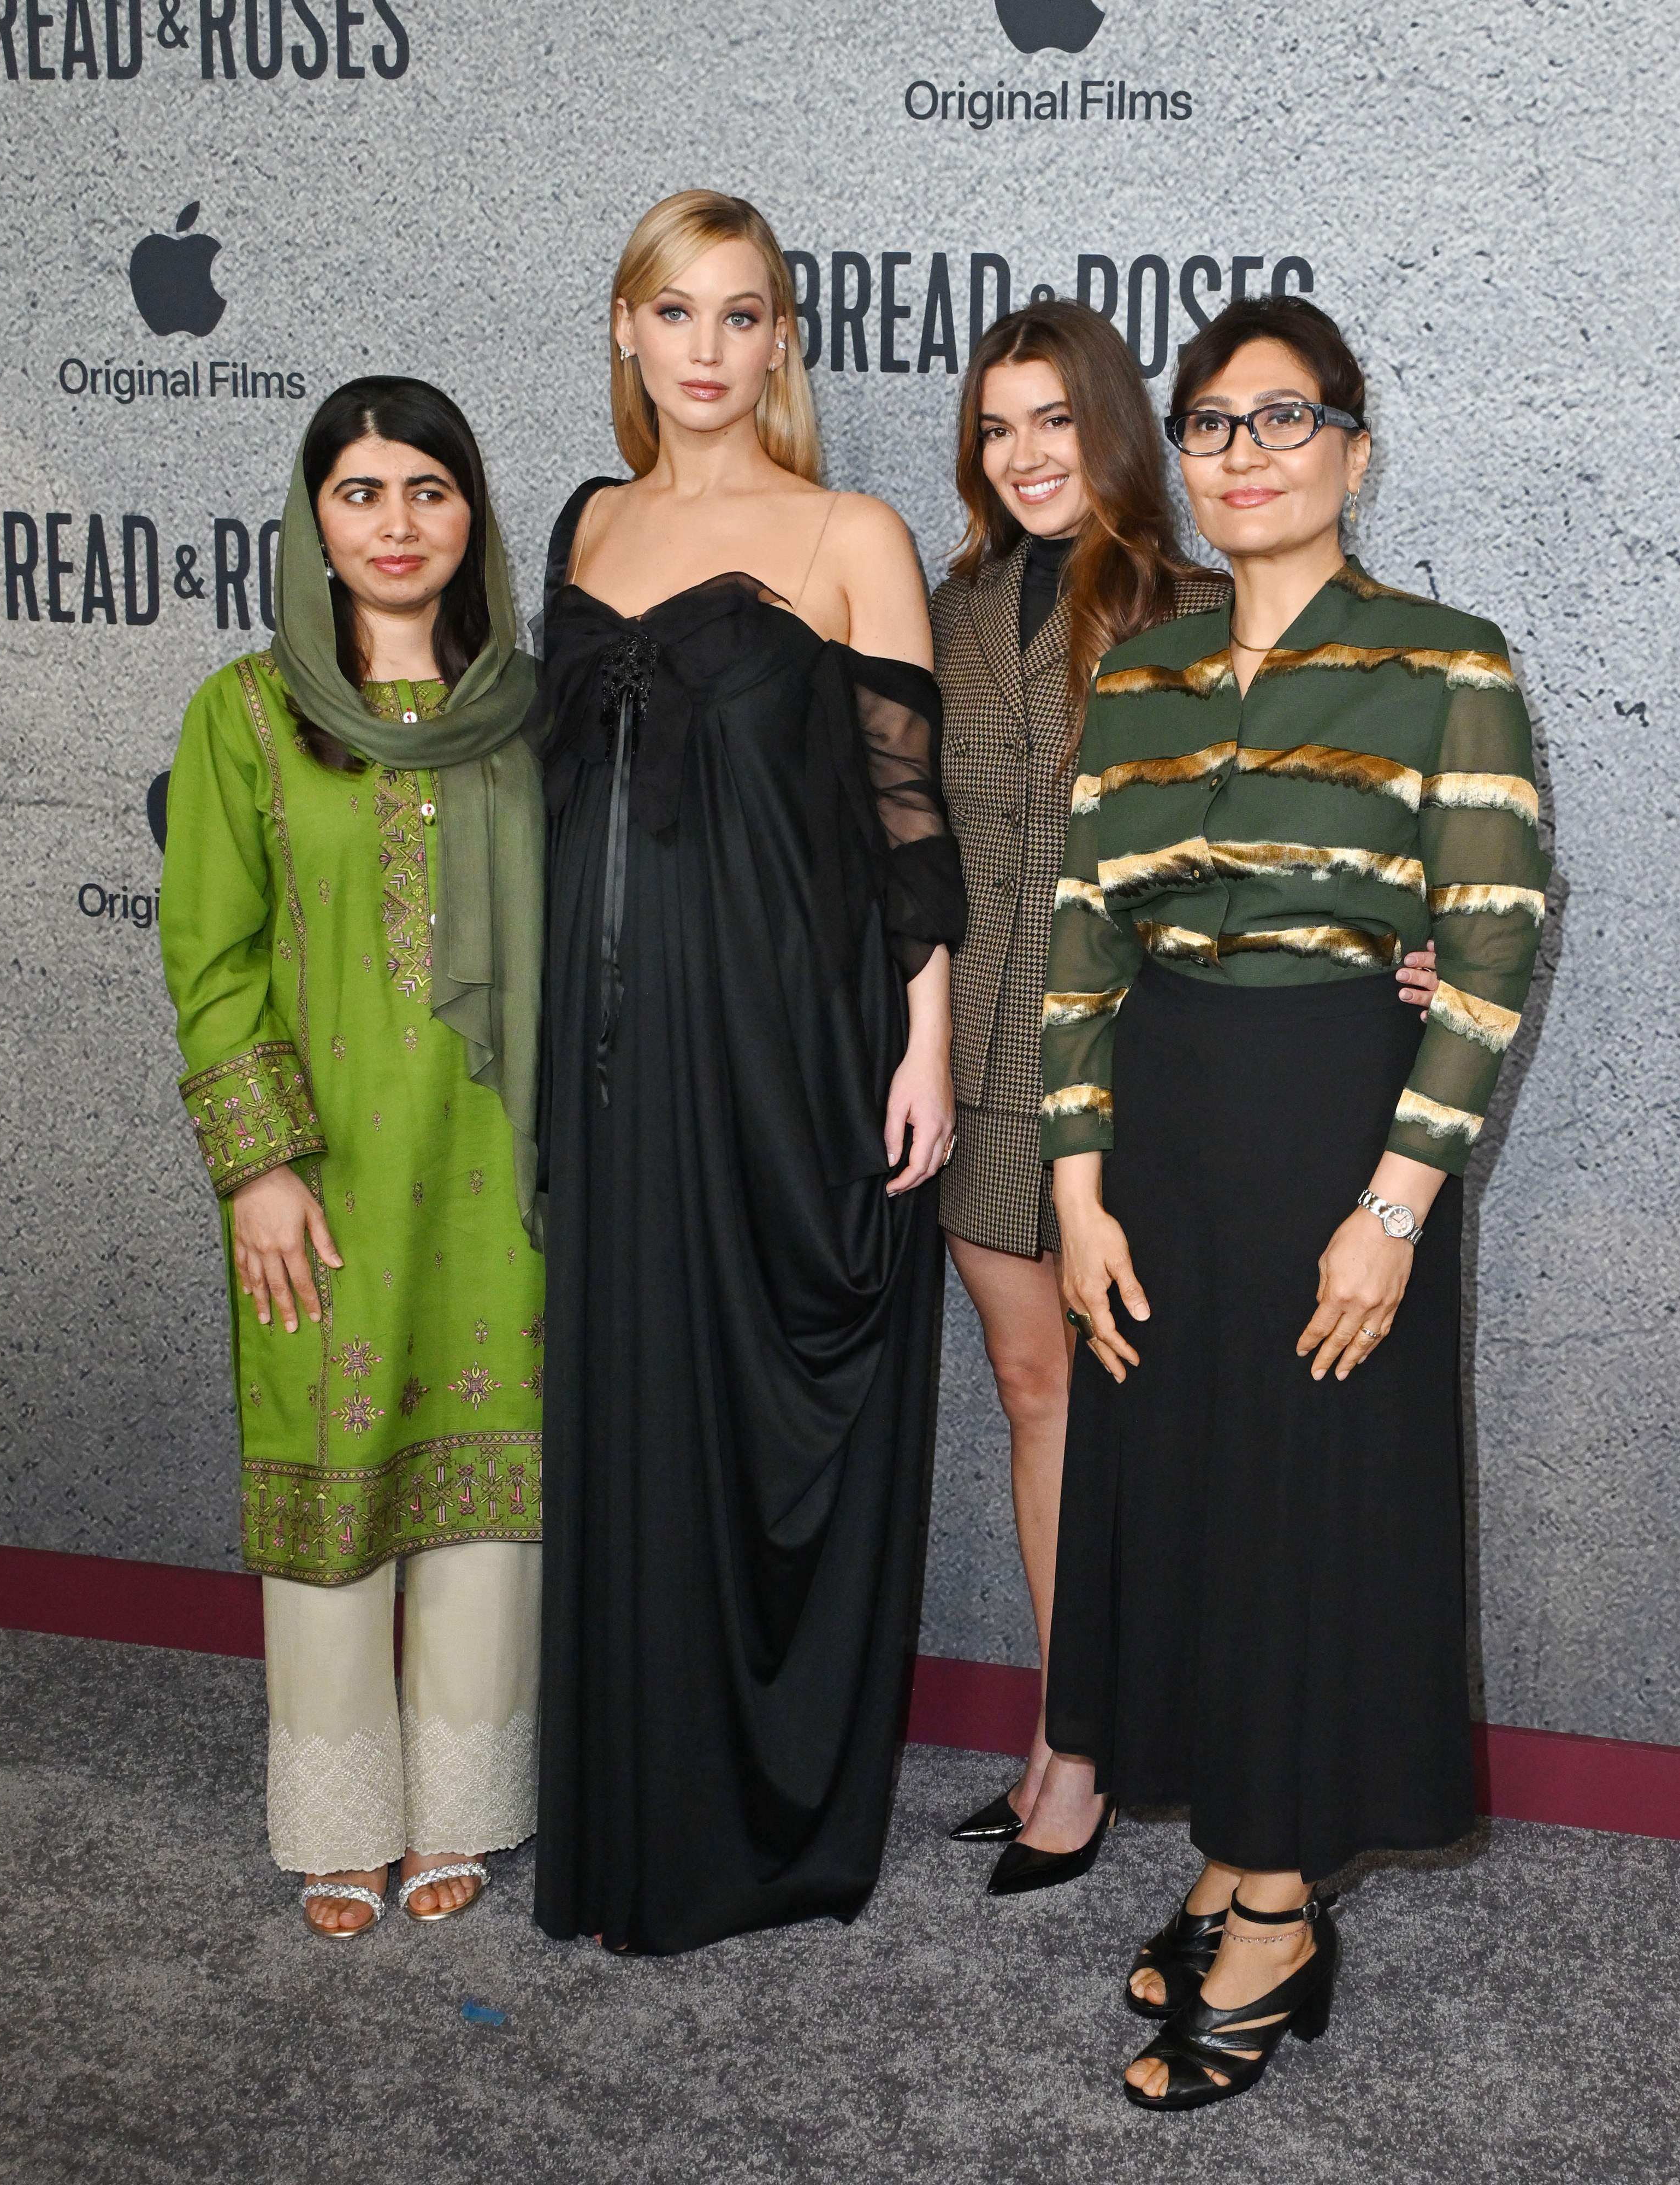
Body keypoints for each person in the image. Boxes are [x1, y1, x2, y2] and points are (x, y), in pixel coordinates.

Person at [1036, 295, 1548, 2107]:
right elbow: (1082, 938)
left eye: (1282, 418)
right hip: (1161, 1133)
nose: (1242, 455)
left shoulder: (1442, 660)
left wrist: (1394, 1208)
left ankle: (1275, 1907)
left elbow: (1492, 942)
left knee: (1312, 1507)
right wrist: (1077, 1198)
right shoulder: (1141, 677)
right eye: (1208, 425)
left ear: (1351, 444)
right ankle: (1234, 1841)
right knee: (1183, 1498)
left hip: (1341, 1128)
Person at [931, 301, 1439, 1853]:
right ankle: (1064, 1727)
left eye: (1055, 421)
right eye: (995, 426)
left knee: (1163, 1420)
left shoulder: (1201, 604)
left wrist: (1408, 948)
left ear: (1120, 434)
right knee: (1035, 1393)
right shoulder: (944, 609)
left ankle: (1163, 1760)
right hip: (976, 1056)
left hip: (1150, 1072)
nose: (1024, 455)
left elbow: (1330, 836)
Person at [528, 190, 966, 1956]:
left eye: (742, 315)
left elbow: (906, 823)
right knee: (624, 1406)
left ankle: (759, 1820)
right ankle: (630, 1807)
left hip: (786, 1034)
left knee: (758, 1402)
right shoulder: (580, 521)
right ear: (626, 332)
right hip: (607, 1045)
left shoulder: (850, 529)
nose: (705, 349)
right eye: (673, 313)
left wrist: (923, 1039)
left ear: (783, 340)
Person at [160, 378, 547, 1937]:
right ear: (313, 519)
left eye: (428, 491)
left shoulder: (527, 708)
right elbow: (210, 950)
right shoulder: (246, 713)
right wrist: (258, 1162)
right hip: (315, 1176)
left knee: (487, 1485)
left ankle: (465, 1804)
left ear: (472, 518)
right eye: (362, 492)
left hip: (498, 1165)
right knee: (332, 1470)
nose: (398, 524)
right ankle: (337, 1817)